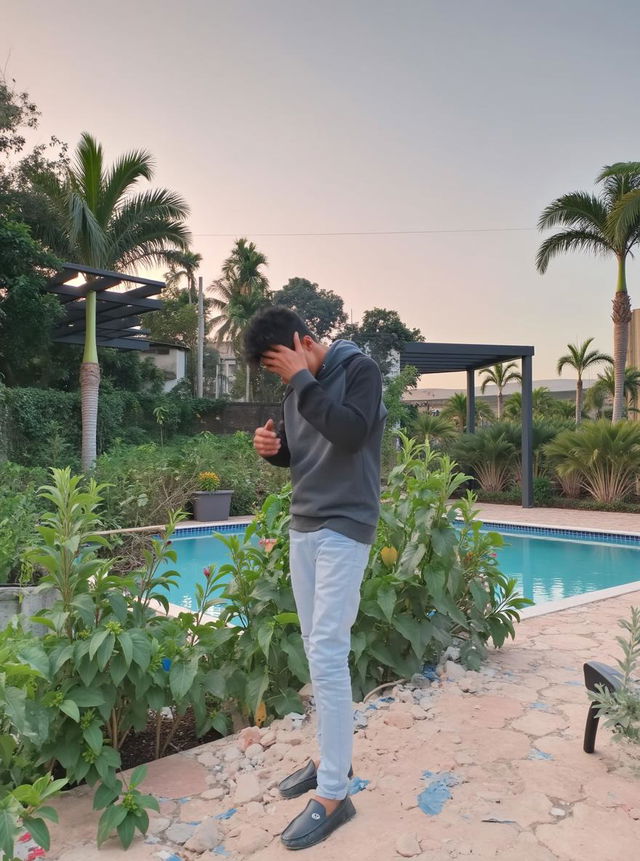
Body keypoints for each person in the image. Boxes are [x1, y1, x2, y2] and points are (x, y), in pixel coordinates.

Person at [246, 306, 387, 851]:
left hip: (346, 525)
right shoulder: (294, 384)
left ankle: (334, 791)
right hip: (303, 524)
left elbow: (349, 434)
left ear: (306, 341)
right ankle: (332, 757)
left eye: (284, 363)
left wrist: (300, 379)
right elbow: (306, 451)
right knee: (314, 649)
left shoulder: (360, 370)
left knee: (327, 651)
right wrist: (273, 451)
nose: (282, 376)